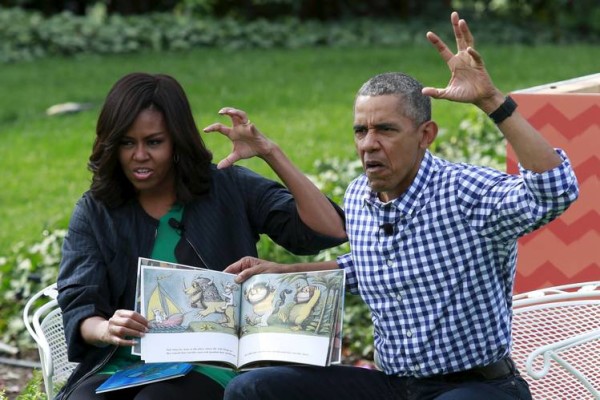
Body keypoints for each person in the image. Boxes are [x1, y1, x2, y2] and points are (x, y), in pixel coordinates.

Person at [222, 11, 579, 400]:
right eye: (361, 130)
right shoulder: (360, 195)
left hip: (477, 385)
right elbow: (369, 266)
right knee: (253, 389)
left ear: (425, 134)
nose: (368, 144)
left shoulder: (465, 191)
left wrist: (492, 101)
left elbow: (554, 191)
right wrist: (285, 272)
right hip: (394, 386)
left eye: (386, 130)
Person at [55, 72, 347, 400]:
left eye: (154, 142)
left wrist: (269, 152)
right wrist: (106, 328)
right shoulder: (96, 209)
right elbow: (79, 303)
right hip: (119, 365)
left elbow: (329, 230)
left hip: (210, 366)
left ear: (177, 141)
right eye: (126, 142)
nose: (139, 155)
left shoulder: (226, 187)